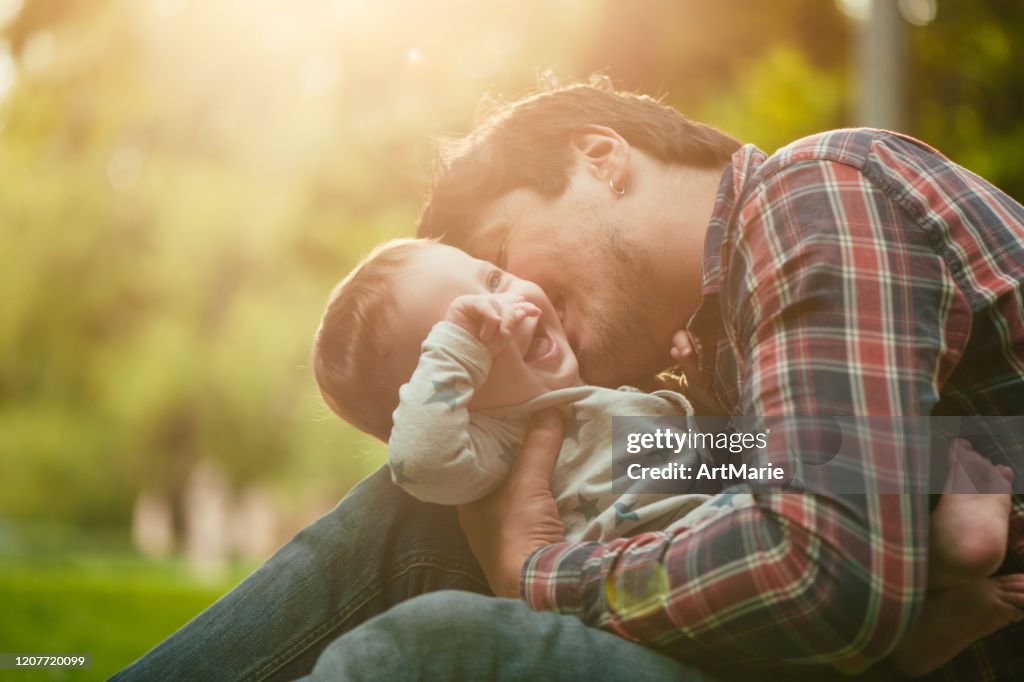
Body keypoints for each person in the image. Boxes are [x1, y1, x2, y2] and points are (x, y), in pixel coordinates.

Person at [114, 79, 1024, 681]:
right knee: (425, 507)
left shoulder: (808, 192)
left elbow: (824, 571)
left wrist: (542, 571)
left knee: (434, 648)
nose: (511, 311)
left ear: (600, 157)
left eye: (501, 259)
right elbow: (827, 467)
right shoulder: (715, 358)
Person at [312, 237, 725, 543]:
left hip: (735, 519)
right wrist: (457, 345)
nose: (510, 310)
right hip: (670, 564)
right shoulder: (500, 438)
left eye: (493, 280)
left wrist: (709, 393)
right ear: (457, 403)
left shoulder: (598, 392)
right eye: (476, 327)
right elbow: (417, 461)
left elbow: (730, 462)